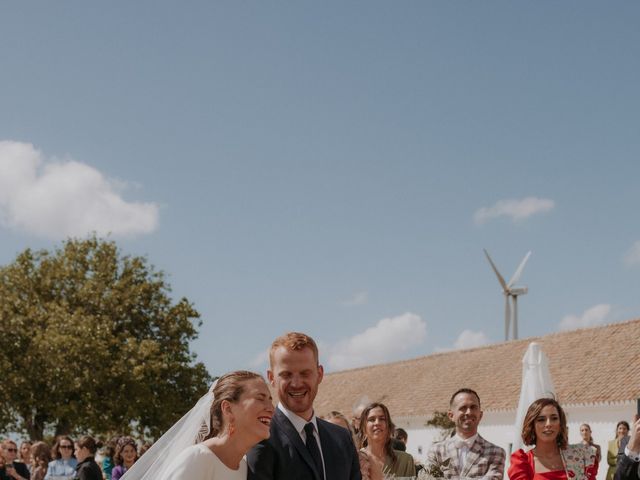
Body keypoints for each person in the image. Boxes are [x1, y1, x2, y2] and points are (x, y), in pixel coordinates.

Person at [118, 370, 274, 480]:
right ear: (228, 409)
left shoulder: (243, 467)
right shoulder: (198, 459)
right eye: (260, 398)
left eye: (270, 399)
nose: (271, 408)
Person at [247, 331, 362, 480]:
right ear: (271, 378)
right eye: (286, 375)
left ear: (319, 374)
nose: (296, 383)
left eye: (305, 373)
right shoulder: (260, 437)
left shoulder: (342, 438)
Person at [508, 397, 597, 480]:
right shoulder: (522, 463)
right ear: (532, 425)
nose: (548, 424)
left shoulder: (580, 456)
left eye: (554, 418)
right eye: (541, 419)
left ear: (560, 423)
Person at [425, 388, 505, 479]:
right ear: (451, 415)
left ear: (480, 415)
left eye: (473, 407)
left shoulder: (496, 452)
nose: (469, 412)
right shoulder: (436, 451)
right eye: (463, 408)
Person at [358, 402, 415, 478]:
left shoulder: (405, 461)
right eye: (371, 419)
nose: (377, 423)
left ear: (389, 426)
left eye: (382, 419)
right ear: (363, 428)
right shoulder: (356, 460)